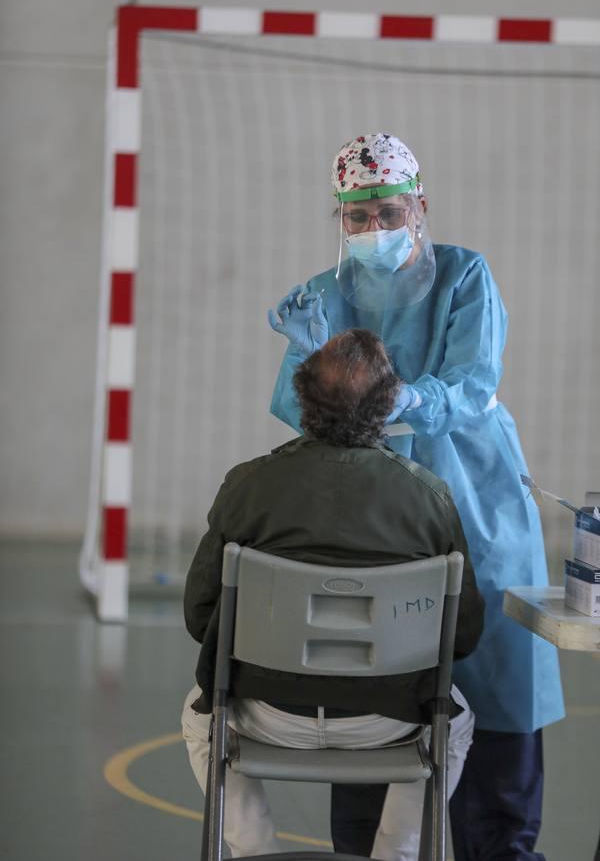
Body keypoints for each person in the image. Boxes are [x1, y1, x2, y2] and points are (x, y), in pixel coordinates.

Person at [268, 133, 565, 861]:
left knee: (495, 679)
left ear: (420, 206)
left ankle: (499, 846)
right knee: (376, 688)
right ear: (339, 218)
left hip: (476, 501)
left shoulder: (465, 277)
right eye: (357, 218)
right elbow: (296, 401)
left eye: (389, 212)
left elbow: (471, 384)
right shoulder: (325, 296)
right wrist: (307, 351)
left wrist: (396, 396)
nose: (373, 231)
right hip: (375, 513)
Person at [182, 328, 485, 861]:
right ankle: (396, 853)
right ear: (391, 403)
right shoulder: (428, 497)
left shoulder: (248, 485)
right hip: (388, 720)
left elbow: (199, 613)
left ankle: (255, 851)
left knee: (198, 713)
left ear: (302, 398)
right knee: (454, 722)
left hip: (266, 709)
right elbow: (462, 635)